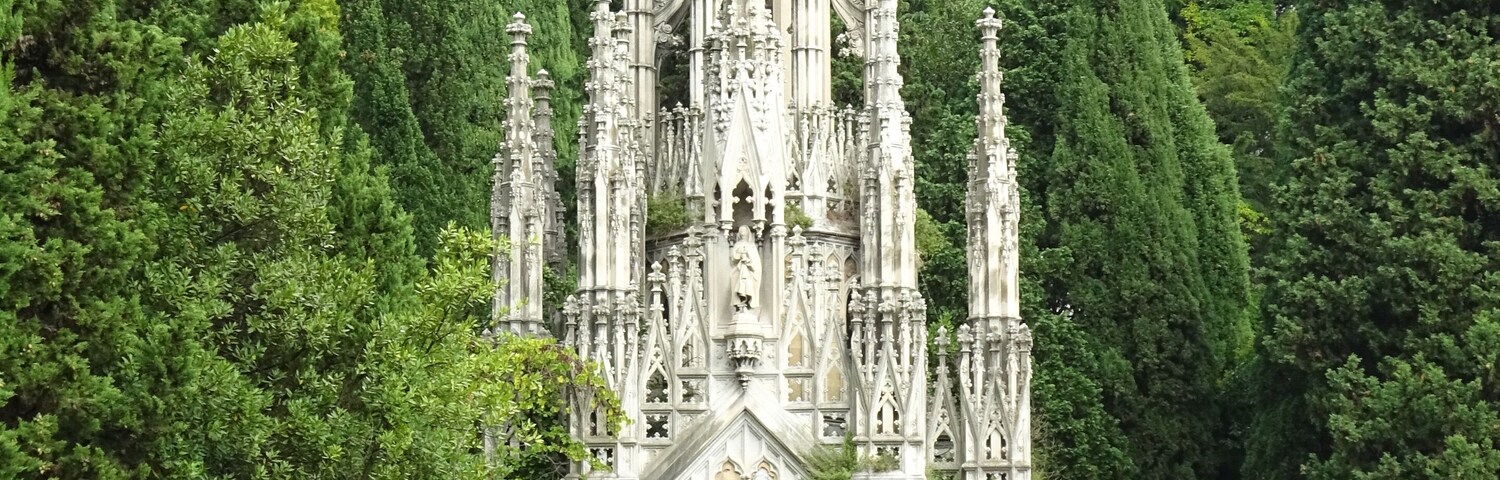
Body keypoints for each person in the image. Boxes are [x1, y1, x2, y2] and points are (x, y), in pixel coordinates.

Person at [731, 226, 761, 310]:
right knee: (740, 286)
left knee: (748, 287)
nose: (742, 232)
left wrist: (748, 261)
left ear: (748, 232)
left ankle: (747, 304)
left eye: (744, 230)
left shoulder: (752, 245)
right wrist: (739, 254)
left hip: (749, 271)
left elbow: (756, 260)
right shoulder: (737, 244)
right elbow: (733, 259)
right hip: (738, 270)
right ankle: (740, 304)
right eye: (740, 231)